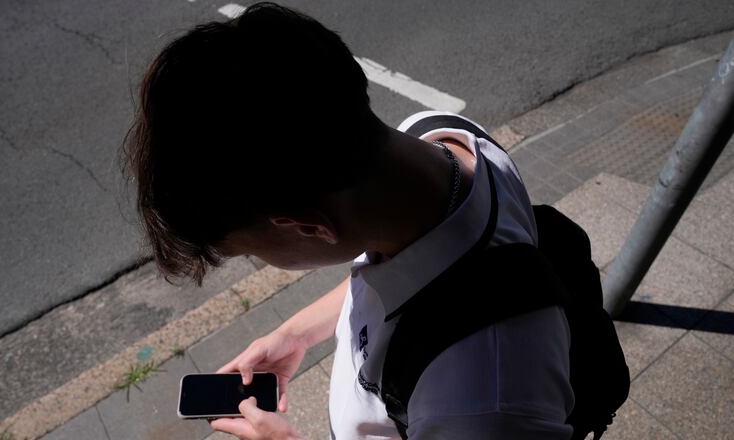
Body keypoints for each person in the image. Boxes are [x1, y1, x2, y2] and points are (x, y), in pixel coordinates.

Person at [122, 2, 574, 439]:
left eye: (254, 252)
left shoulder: (483, 403)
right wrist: (295, 333)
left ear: (310, 225)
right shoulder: (430, 146)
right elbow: (396, 278)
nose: (262, 259)